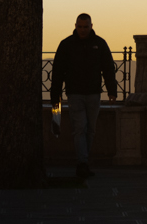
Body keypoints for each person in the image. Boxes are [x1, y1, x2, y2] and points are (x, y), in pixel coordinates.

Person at [50, 12, 120, 179]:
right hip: (74, 94)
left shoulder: (99, 44)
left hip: (94, 94)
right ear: (75, 26)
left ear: (91, 26)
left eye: (85, 27)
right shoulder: (66, 45)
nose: (82, 30)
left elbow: (108, 68)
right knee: (80, 128)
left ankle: (84, 161)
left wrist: (112, 91)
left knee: (91, 130)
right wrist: (55, 96)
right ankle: (82, 163)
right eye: (80, 27)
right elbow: (58, 72)